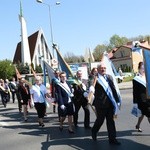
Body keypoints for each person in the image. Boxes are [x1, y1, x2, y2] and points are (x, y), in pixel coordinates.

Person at [91, 62, 121, 145]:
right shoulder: (96, 78)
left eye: (104, 68)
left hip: (110, 103)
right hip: (100, 104)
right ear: (98, 69)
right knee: (100, 120)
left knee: (111, 121)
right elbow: (91, 86)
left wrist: (117, 100)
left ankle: (112, 139)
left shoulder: (109, 77)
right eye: (101, 68)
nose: (103, 69)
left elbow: (113, 89)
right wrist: (91, 88)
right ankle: (94, 130)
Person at [133, 61, 150, 132]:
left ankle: (138, 125)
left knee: (142, 113)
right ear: (139, 68)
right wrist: (135, 101)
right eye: (141, 67)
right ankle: (138, 125)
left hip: (149, 98)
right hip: (142, 100)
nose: (143, 69)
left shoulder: (148, 76)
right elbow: (135, 91)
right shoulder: (136, 79)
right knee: (149, 114)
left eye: (144, 67)